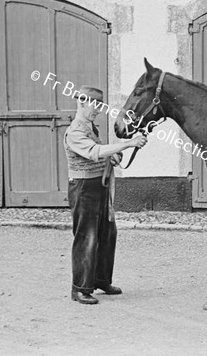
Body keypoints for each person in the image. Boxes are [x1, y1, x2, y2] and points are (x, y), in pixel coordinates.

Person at [63, 86, 147, 305]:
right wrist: (128, 143)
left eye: (100, 107)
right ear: (82, 103)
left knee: (107, 234)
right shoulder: (75, 131)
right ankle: (80, 288)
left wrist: (113, 157)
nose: (97, 111)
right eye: (95, 106)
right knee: (86, 237)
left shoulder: (91, 127)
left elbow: (100, 153)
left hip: (100, 186)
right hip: (83, 188)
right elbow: (93, 152)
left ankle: (101, 280)